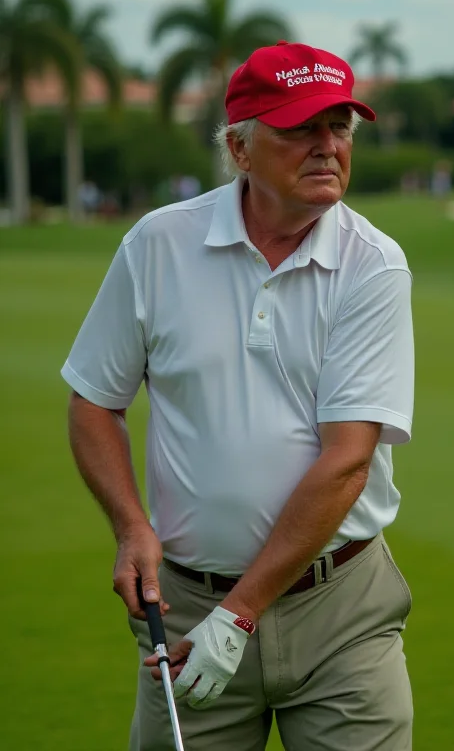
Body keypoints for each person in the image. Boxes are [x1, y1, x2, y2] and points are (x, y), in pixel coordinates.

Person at [62, 40, 415, 751]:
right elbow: (94, 399)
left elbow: (347, 459)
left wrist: (243, 614)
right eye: (300, 128)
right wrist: (132, 528)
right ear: (240, 148)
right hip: (188, 607)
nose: (327, 147)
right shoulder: (157, 245)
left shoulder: (373, 263)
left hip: (340, 612)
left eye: (339, 126)